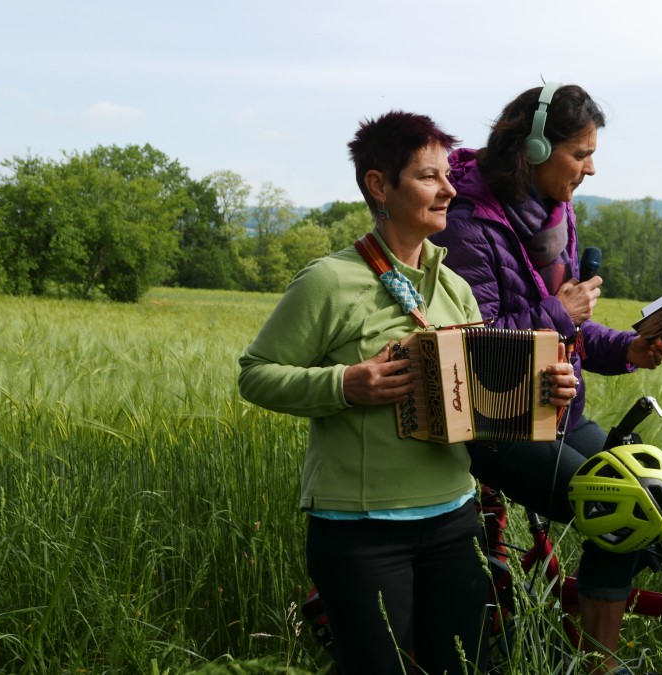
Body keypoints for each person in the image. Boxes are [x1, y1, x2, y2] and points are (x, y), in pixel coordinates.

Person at [237, 110, 578, 674]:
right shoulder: (328, 281)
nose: (449, 189)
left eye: (447, 175)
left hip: (454, 520)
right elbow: (255, 372)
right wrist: (346, 384)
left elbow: (480, 405)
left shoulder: (455, 288)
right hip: (360, 533)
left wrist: (545, 391)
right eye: (428, 177)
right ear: (379, 185)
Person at [430, 83, 662, 671]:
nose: (591, 168)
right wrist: (557, 313)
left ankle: (574, 642)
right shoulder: (467, 224)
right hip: (500, 426)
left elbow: (571, 329)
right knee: (621, 506)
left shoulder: (553, 215)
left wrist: (631, 350)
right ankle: (599, 662)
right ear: (534, 147)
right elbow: (472, 349)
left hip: (563, 414)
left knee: (655, 500)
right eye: (580, 153)